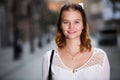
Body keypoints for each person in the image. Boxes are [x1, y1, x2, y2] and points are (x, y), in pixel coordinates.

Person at [42, 3, 110, 80]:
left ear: (83, 25)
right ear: (60, 26)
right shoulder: (49, 58)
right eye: (66, 22)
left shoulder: (100, 57)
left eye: (76, 22)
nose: (71, 26)